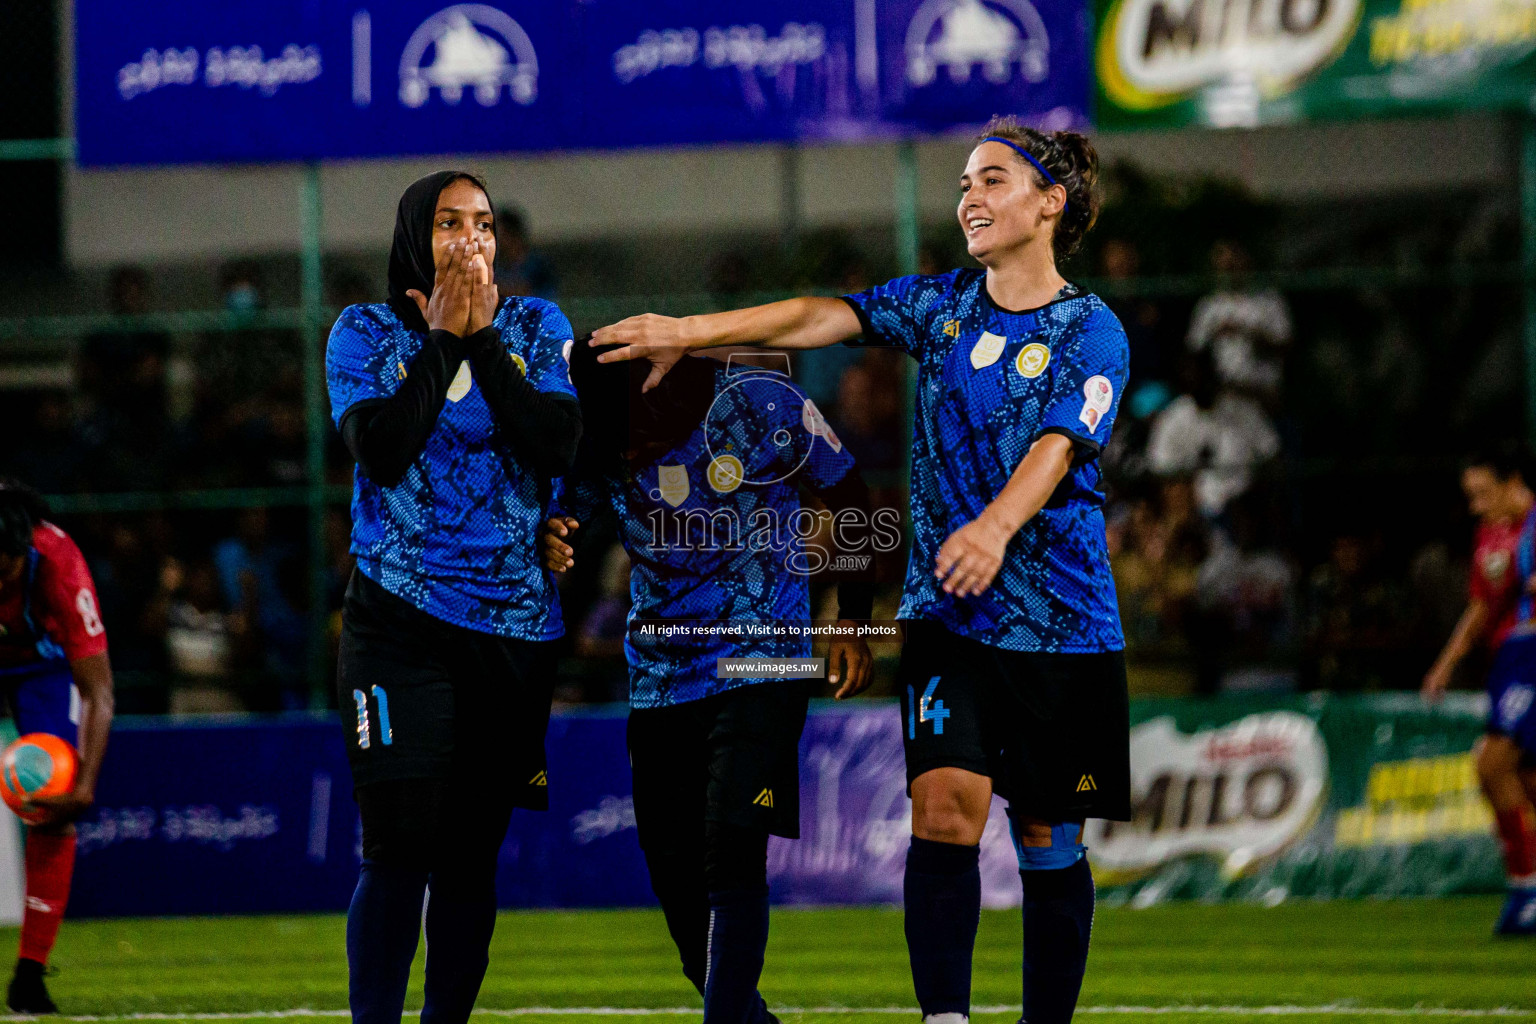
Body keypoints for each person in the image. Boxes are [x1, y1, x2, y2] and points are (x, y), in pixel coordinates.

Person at [591, 115, 1131, 1024]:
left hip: (1064, 623)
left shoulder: (1093, 330)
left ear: (1053, 202)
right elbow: (819, 315)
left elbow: (1059, 445)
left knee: (1045, 834)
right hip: (949, 615)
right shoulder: (943, 307)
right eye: (964, 182)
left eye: (993, 180)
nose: (970, 197)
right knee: (945, 808)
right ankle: (945, 1021)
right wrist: (691, 331)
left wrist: (996, 528)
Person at [542, 342, 876, 1024]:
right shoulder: (596, 432)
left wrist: (852, 617)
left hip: (764, 655)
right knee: (674, 875)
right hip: (660, 673)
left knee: (731, 848)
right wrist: (551, 535)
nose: (632, 458)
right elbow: (561, 515)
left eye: (639, 440)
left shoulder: (759, 402)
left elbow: (847, 494)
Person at [325, 171, 581, 1024]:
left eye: (479, 223)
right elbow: (384, 451)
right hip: (395, 622)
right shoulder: (362, 334)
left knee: (469, 861)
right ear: (413, 236)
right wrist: (441, 340)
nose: (469, 239)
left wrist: (479, 343)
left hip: (511, 627)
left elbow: (554, 444)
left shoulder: (537, 326)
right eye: (447, 224)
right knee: (396, 846)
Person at [0, 480, 115, 1013]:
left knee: (55, 796)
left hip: (38, 665)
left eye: (8, 566)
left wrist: (86, 785)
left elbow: (98, 689)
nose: (2, 577)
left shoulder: (58, 561)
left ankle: (29, 975)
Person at [1422, 444, 1536, 934]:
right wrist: (1446, 663)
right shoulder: (1491, 536)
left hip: (1531, 655)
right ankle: (1525, 888)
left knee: (1491, 763)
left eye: (1484, 494)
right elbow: (1480, 608)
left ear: (1514, 483)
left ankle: (1528, 888)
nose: (1476, 506)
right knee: (1526, 779)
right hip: (1508, 659)